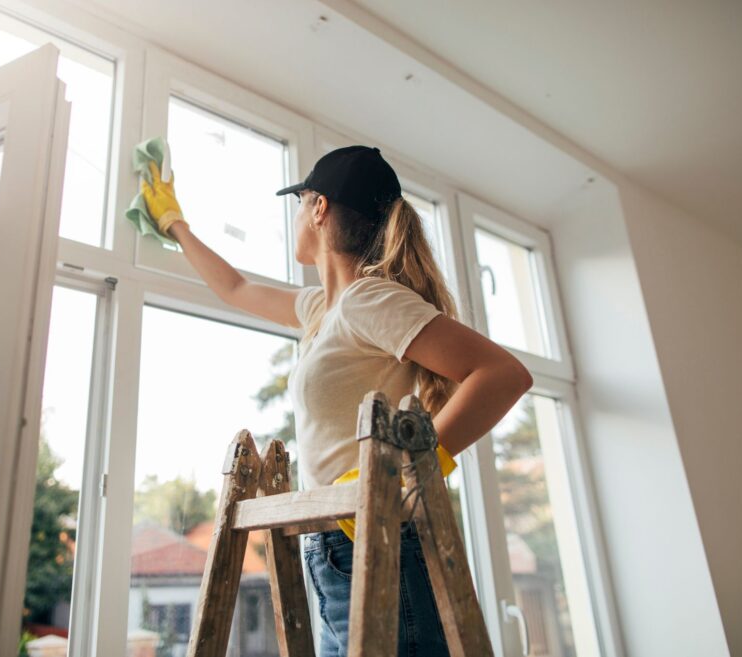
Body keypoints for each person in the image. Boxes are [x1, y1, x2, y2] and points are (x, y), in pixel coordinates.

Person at [141, 144, 532, 656]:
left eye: (300, 202)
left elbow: (503, 374)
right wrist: (174, 223)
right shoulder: (323, 310)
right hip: (333, 550)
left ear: (319, 207)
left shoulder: (372, 299)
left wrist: (415, 469)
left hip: (378, 544)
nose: (297, 215)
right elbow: (234, 288)